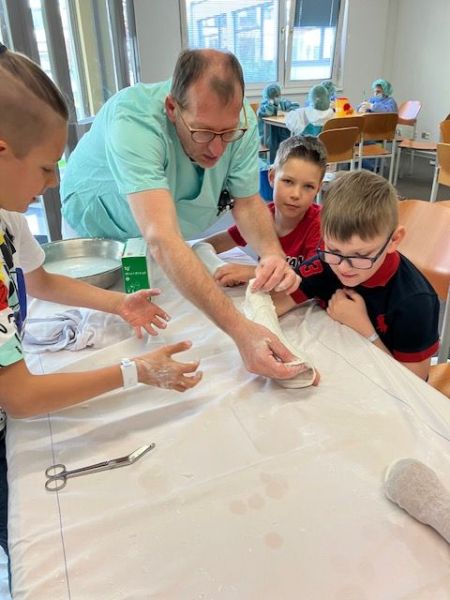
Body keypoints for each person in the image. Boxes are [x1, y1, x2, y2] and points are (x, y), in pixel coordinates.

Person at [0, 45, 203, 561]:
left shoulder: (9, 218)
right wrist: (135, 372)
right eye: (45, 167)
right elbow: (19, 396)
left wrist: (117, 305)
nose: (54, 183)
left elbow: (40, 280)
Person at [61, 48, 306, 382]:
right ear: (172, 108)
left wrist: (272, 253)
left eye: (227, 133)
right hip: (97, 230)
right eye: (203, 132)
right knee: (105, 341)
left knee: (178, 318)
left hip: (159, 233)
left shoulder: (240, 123)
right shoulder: (134, 120)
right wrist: (241, 331)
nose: (217, 149)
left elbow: (247, 202)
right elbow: (162, 238)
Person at [273, 170, 440, 381]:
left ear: (394, 240)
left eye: (361, 255)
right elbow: (277, 302)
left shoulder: (414, 301)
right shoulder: (327, 262)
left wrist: (365, 330)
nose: (343, 268)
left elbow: (414, 382)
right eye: (333, 249)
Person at [203, 135, 326, 292]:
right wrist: (215, 264)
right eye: (288, 181)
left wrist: (252, 272)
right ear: (272, 177)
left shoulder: (321, 225)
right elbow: (214, 243)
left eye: (308, 186)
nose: (296, 194)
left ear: (318, 189)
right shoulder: (262, 216)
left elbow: (314, 280)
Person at [256, 82, 299, 153]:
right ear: (268, 97)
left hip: (282, 133)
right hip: (268, 136)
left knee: (290, 143)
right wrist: (271, 105)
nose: (276, 98)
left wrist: (288, 112)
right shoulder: (264, 107)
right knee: (275, 147)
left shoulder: (282, 103)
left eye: (277, 95)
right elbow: (267, 113)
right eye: (273, 96)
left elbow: (295, 106)